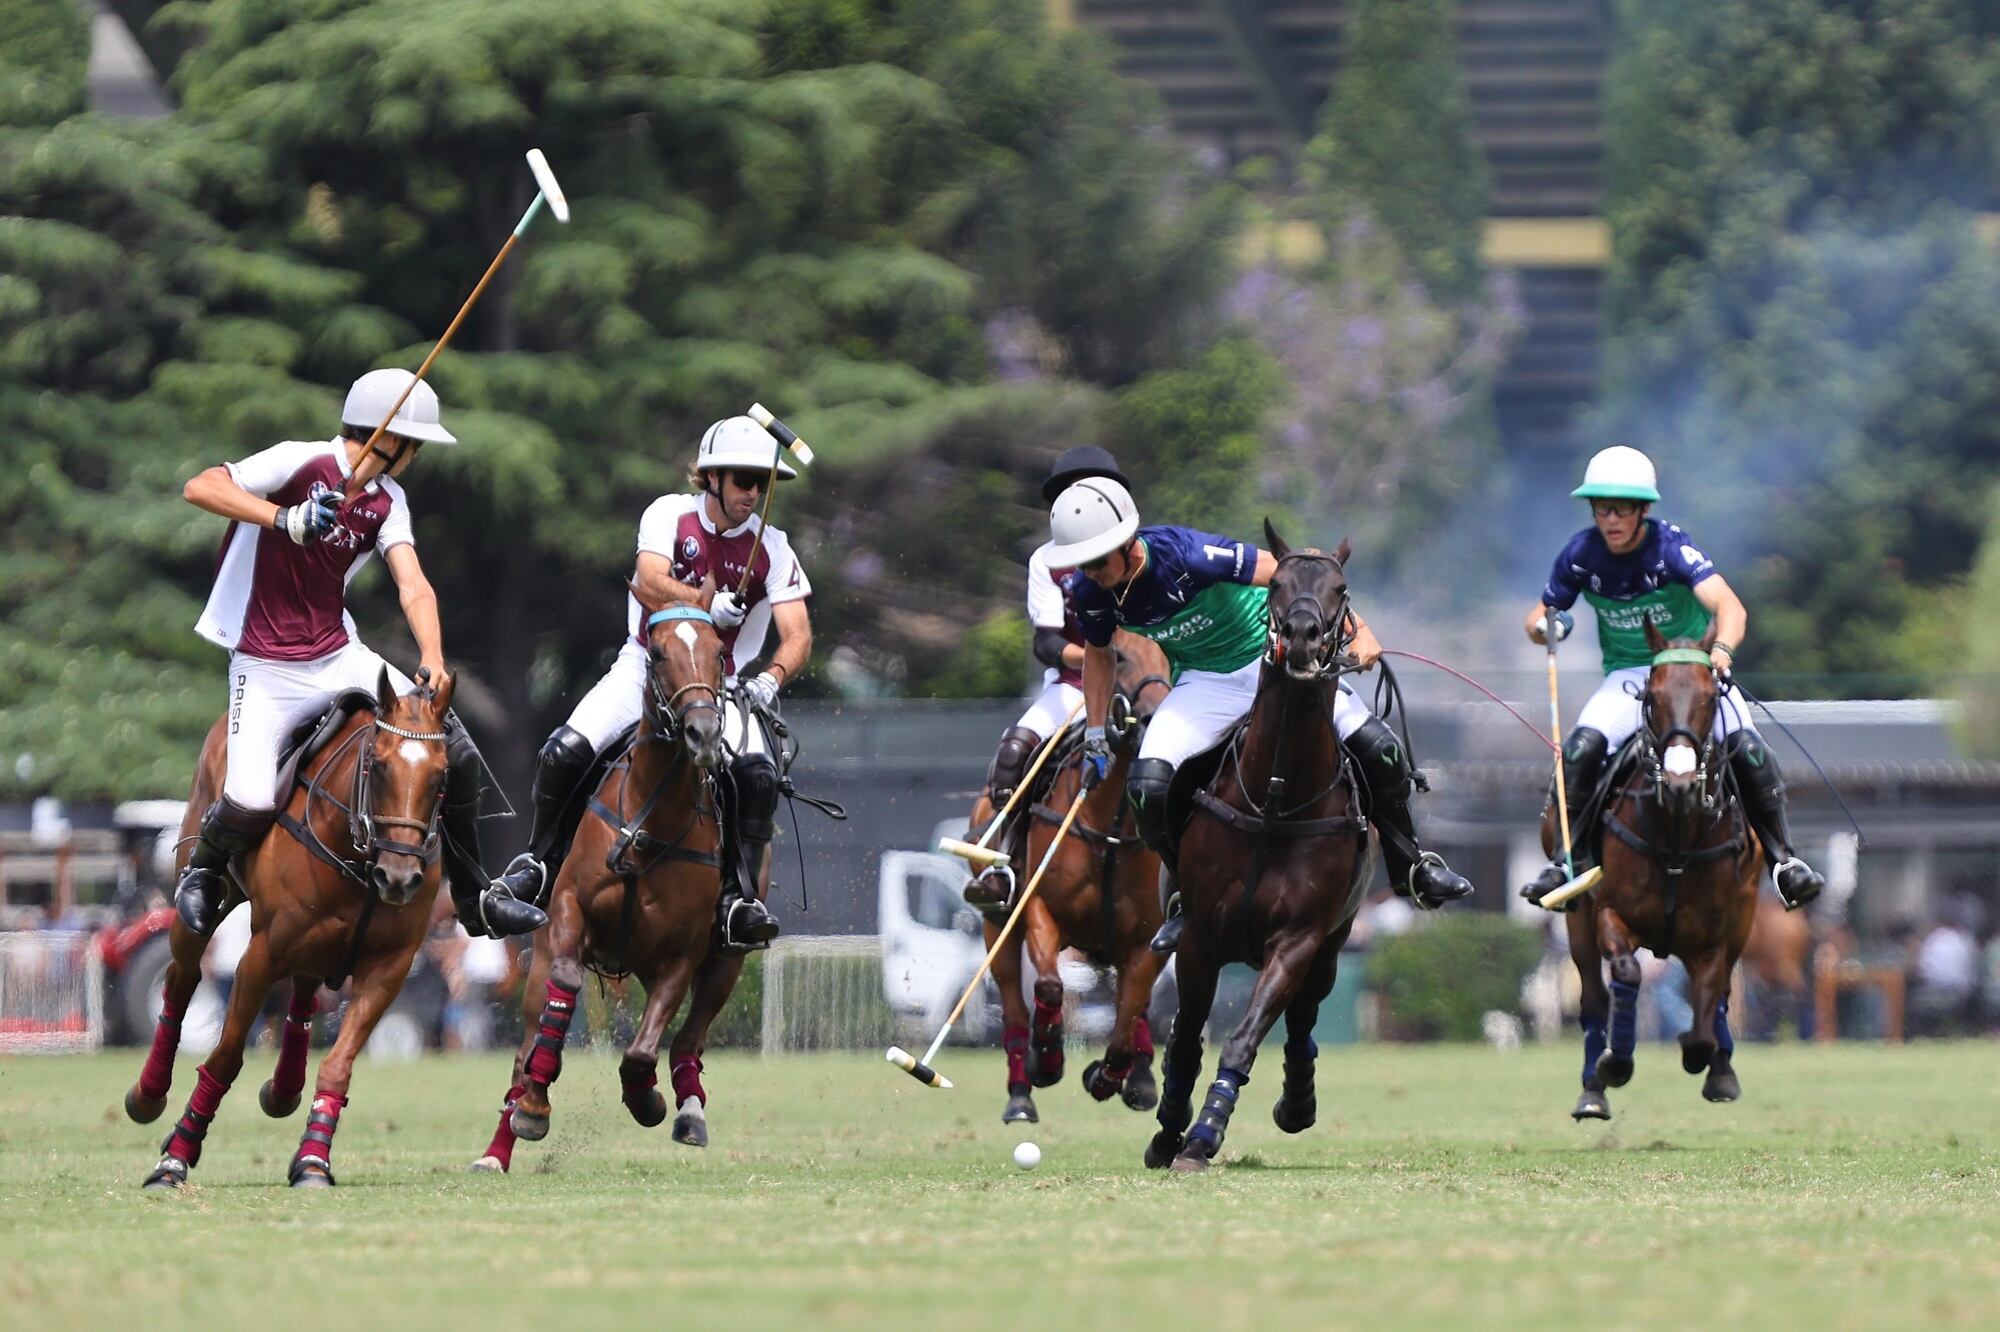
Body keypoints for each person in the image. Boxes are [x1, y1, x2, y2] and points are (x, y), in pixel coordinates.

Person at [173, 369, 544, 940]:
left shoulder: (388, 501)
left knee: (452, 746)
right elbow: (200, 488)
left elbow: (412, 584)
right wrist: (285, 517)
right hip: (265, 664)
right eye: (414, 444)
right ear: (386, 438)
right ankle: (202, 873)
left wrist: (433, 654)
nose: (416, 456)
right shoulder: (299, 461)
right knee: (248, 799)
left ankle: (475, 899)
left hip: (336, 654)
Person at [1047, 477, 1472, 953]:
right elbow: (1099, 654)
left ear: (1128, 543)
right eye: (1082, 563)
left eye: (1098, 561)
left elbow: (1296, 576)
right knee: (1146, 788)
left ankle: (1411, 866)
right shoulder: (1091, 592)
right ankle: (1186, 897)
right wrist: (1097, 734)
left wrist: (1359, 630)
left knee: (1380, 748)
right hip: (1204, 681)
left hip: (1271, 662)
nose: (1090, 572)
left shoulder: (1187, 555)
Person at [491, 416, 813, 954]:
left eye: (762, 483)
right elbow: (648, 578)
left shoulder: (774, 548)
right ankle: (537, 868)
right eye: (743, 480)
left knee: (758, 775)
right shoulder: (669, 514)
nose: (753, 493)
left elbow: (798, 634)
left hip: (723, 685)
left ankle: (738, 901)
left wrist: (770, 679)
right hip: (645, 666)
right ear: (712, 477)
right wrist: (707, 604)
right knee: (562, 752)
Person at [1519, 445, 1825, 911]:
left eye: (1622, 508)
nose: (1611, 519)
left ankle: (1783, 862)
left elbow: (1730, 607)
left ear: (1643, 510)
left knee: (1749, 748)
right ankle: (1567, 861)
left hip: (1690, 670)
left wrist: (1721, 650)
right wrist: (1546, 628)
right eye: (1602, 508)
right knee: (1580, 748)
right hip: (1629, 677)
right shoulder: (1580, 555)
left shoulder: (1672, 550)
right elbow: (1538, 615)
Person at [963, 445, 1129, 907]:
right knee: (1015, 749)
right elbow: (1047, 644)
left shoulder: (1139, 548)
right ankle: (1006, 863)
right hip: (1074, 689)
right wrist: (1098, 660)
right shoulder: (1048, 560)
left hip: (1145, 685)